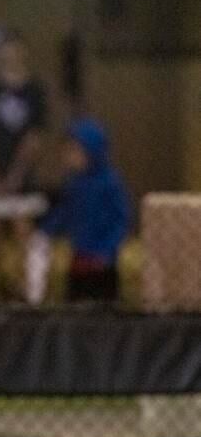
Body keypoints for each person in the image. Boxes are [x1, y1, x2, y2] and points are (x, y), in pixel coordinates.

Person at [0, 27, 48, 298]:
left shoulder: (34, 91)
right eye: (5, 49)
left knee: (22, 229)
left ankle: (27, 291)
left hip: (22, 175)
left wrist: (15, 176)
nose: (10, 55)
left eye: (15, 48)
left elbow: (34, 138)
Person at [25, 117, 131, 305]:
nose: (68, 156)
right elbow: (65, 213)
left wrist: (107, 249)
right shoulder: (74, 183)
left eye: (74, 150)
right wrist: (45, 231)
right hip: (79, 259)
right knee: (75, 304)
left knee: (103, 306)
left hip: (102, 264)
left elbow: (121, 220)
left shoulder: (110, 183)